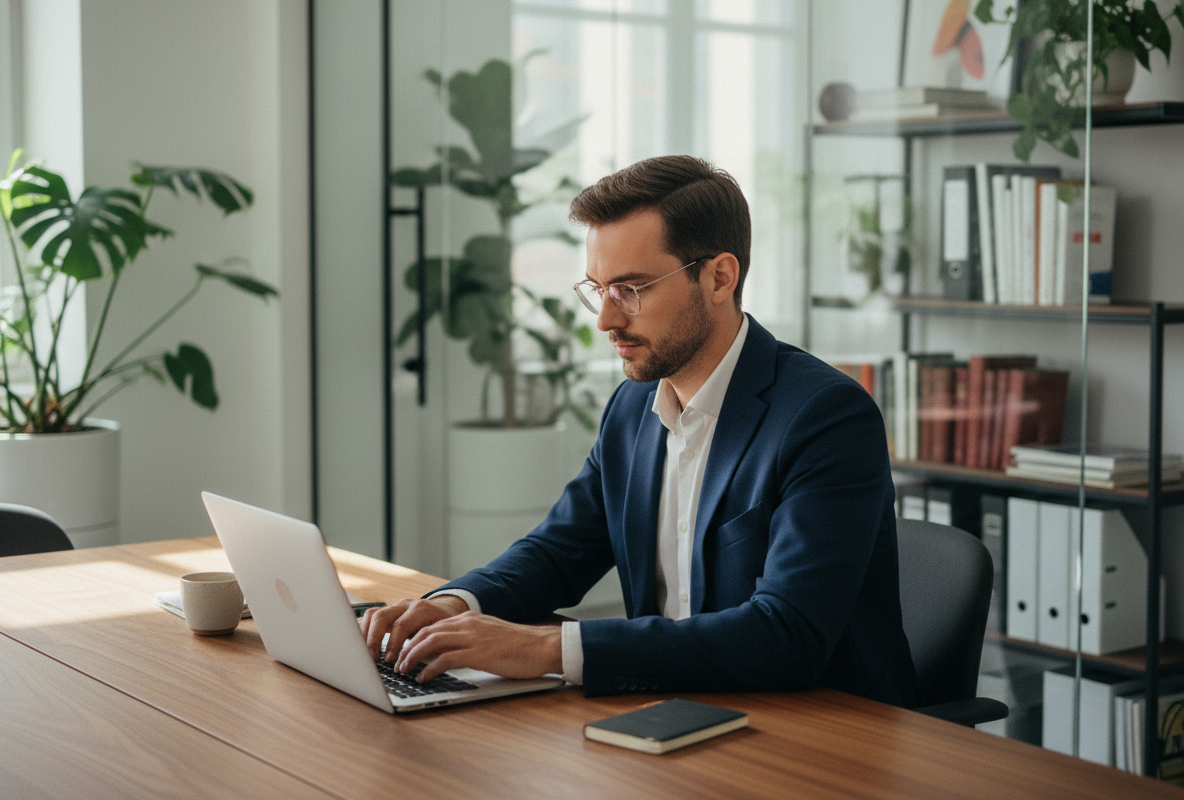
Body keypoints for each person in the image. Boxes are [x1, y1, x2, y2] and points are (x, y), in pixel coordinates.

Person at [361, 155, 918, 707]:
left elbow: (785, 635)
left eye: (631, 289)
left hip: (822, 734)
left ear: (719, 277)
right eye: (597, 289)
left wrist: (547, 649)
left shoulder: (826, 418)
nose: (606, 320)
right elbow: (560, 551)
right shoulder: (632, 407)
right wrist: (460, 604)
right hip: (675, 711)